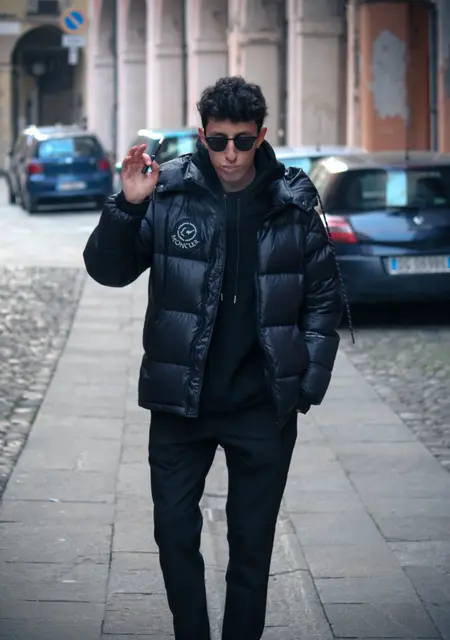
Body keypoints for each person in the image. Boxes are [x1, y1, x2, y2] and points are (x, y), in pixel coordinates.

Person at [83, 76, 344, 640]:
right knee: (174, 535)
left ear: (261, 136)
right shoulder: (168, 190)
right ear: (203, 136)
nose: (230, 154)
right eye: (219, 140)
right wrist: (127, 206)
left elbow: (324, 300)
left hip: (262, 407)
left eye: (243, 141)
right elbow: (108, 271)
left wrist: (306, 384)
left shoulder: (294, 201)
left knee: (252, 545)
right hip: (182, 403)